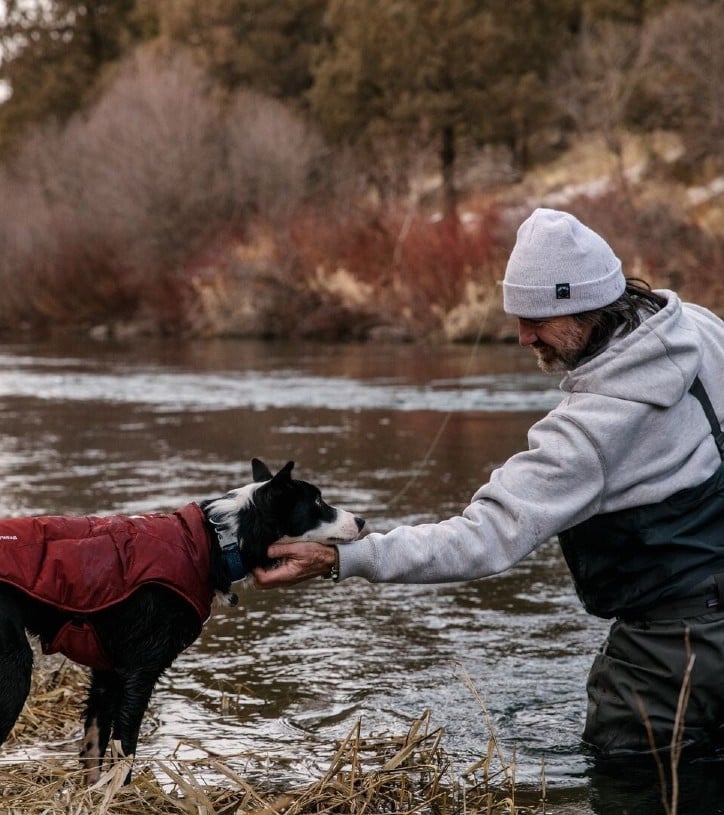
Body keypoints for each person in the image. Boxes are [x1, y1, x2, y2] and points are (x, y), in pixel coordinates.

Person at [253, 207, 724, 762]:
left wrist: (342, 560)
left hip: (670, 651)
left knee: (629, 799)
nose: (522, 337)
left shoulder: (589, 432)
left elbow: (484, 538)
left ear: (588, 310)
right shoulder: (698, 326)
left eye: (538, 321)